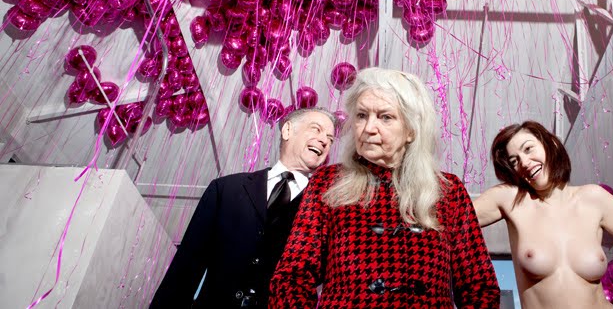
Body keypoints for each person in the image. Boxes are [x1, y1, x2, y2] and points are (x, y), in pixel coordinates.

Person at [268, 68, 500, 308]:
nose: (368, 128)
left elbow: (480, 288)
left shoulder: (448, 191)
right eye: (361, 115)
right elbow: (292, 278)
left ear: (411, 130)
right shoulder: (327, 183)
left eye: (385, 117)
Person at [473, 120, 613, 309]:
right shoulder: (510, 199)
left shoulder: (594, 198)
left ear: (551, 145)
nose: (524, 162)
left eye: (528, 149)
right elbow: (455, 218)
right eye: (514, 161)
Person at [150, 107, 336, 308]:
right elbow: (185, 269)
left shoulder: (326, 209)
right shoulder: (226, 188)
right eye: (316, 129)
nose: (324, 141)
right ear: (288, 130)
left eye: (330, 139)